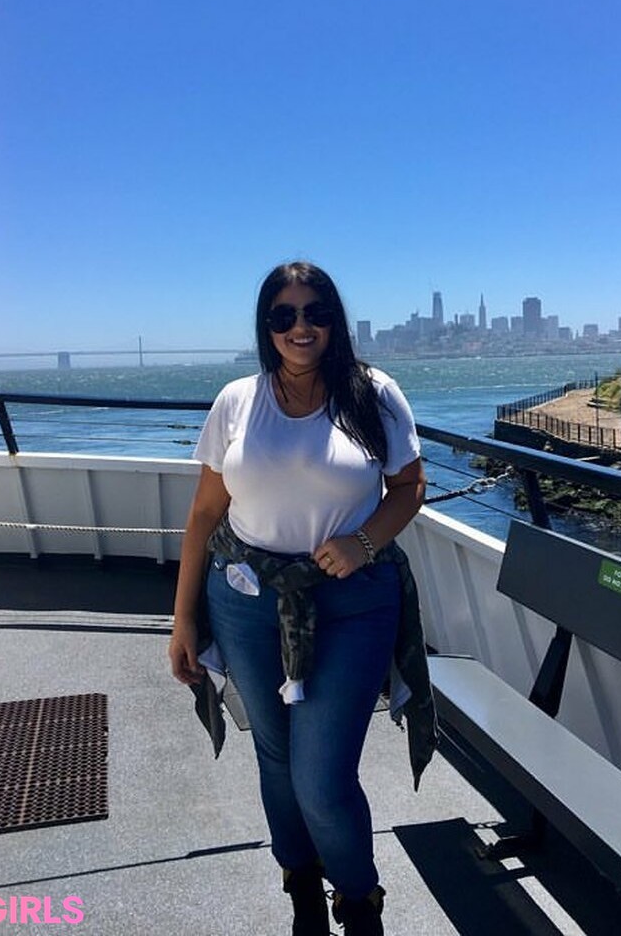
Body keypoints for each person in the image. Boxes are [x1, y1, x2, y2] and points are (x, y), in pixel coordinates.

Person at [169, 261, 435, 936]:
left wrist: (363, 543)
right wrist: (182, 620)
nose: (300, 327)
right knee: (276, 755)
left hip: (351, 602)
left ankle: (359, 899)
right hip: (244, 599)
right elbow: (205, 514)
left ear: (334, 321)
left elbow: (409, 487)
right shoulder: (237, 401)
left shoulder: (374, 394)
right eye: (283, 315)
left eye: (315, 312)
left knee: (321, 776)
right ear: (266, 326)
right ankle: (302, 886)